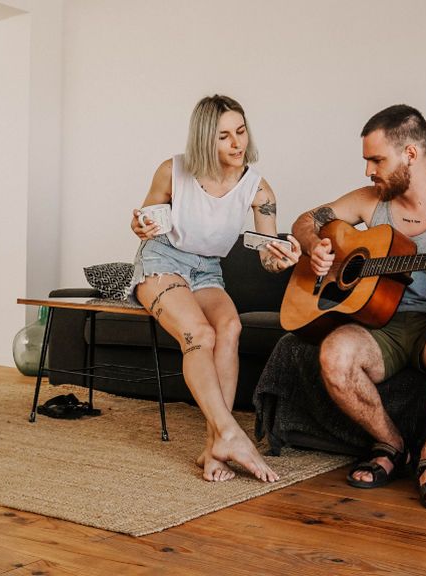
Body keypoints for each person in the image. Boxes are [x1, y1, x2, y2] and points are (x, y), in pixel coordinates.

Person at [290, 104, 426, 510]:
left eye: (377, 159)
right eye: (367, 160)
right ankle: (390, 443)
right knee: (334, 351)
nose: (368, 171)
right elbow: (306, 220)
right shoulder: (370, 200)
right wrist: (316, 247)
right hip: (379, 324)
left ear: (411, 154)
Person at [129, 94, 301, 482]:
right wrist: (139, 225)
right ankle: (230, 434)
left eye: (240, 132)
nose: (237, 144)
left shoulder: (259, 191)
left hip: (207, 270)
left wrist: (281, 257)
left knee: (230, 328)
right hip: (162, 260)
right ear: (206, 139)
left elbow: (267, 257)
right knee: (199, 334)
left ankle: (213, 447)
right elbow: (144, 221)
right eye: (224, 136)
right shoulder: (171, 171)